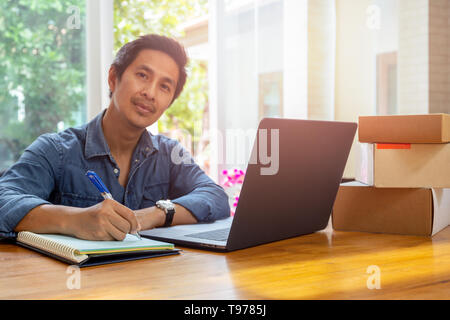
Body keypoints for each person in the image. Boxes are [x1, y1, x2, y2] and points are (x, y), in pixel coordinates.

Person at [0, 34, 230, 240]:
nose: (149, 93)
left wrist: (154, 215)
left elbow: (215, 197)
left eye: (164, 87)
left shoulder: (170, 153)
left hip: (149, 281)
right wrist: (74, 220)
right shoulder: (56, 150)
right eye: (142, 75)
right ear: (113, 78)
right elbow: (4, 200)